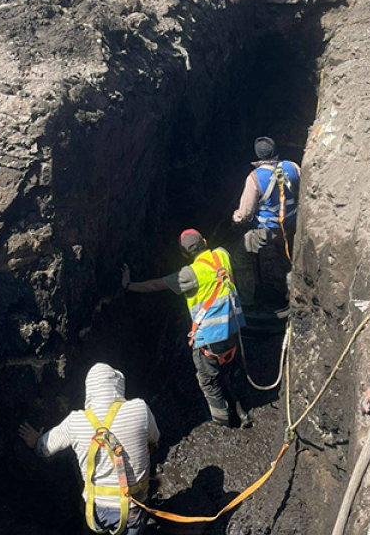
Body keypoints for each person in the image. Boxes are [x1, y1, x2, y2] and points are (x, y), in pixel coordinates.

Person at [122, 230, 250, 429]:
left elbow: (156, 285)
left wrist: (128, 284)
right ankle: (238, 407)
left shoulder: (189, 274)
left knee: (207, 379)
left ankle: (222, 419)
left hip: (210, 339)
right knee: (225, 367)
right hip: (234, 330)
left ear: (183, 254)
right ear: (205, 241)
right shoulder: (222, 254)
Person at [19, 363, 159, 535]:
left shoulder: (75, 422)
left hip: (96, 510)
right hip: (133, 507)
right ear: (119, 386)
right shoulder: (140, 409)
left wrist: (35, 442)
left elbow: (44, 449)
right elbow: (155, 440)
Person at [232, 137, 300, 307]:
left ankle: (246, 300)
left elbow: (246, 213)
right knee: (289, 259)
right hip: (290, 227)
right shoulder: (293, 167)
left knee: (241, 257)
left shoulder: (255, 178)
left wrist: (235, 218)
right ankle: (291, 295)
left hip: (266, 230)